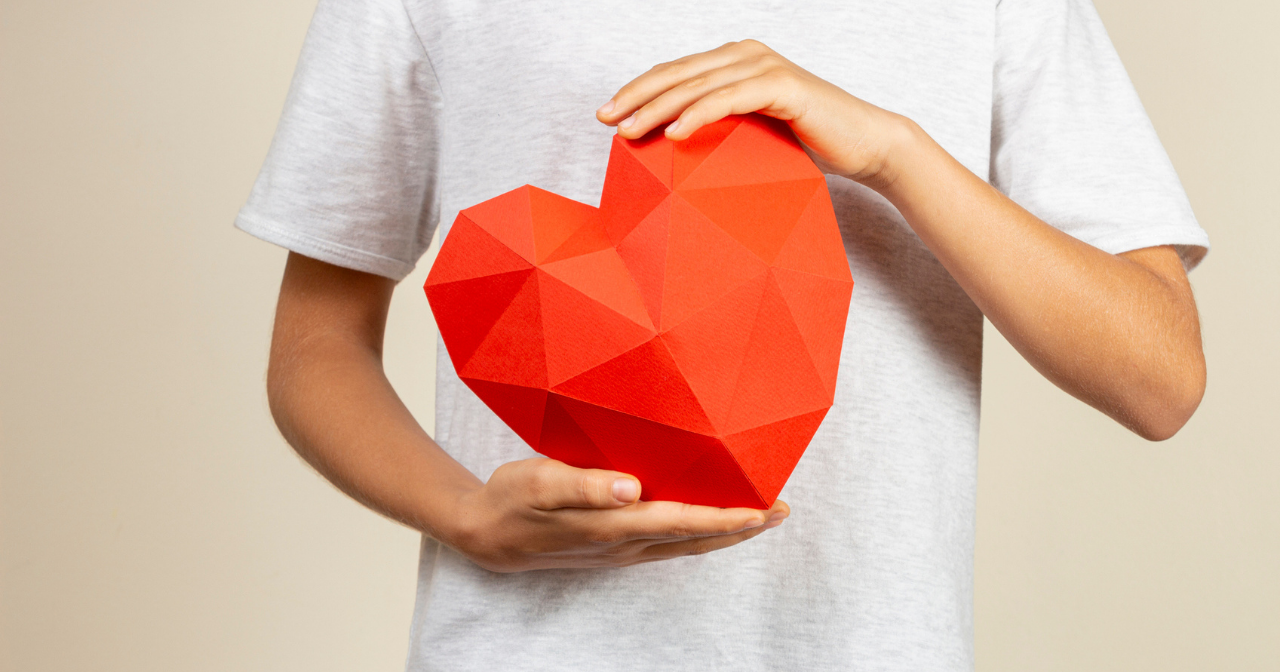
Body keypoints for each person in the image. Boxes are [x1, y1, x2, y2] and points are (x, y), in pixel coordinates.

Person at [236, 0, 1208, 668]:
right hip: (518, 649)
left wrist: (892, 151)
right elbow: (315, 350)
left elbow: (1155, 376)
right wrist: (466, 518)